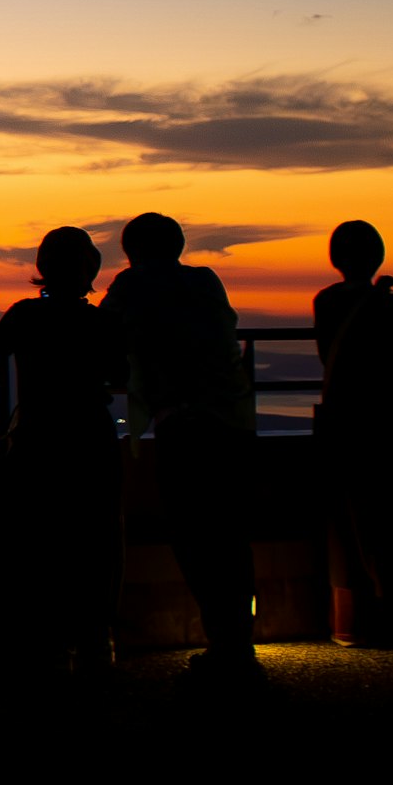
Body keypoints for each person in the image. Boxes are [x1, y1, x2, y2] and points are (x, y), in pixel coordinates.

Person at [105, 214, 257, 685]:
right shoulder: (206, 282)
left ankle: (226, 649)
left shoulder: (130, 287)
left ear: (130, 251)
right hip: (230, 423)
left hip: (181, 424)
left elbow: (104, 339)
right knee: (230, 535)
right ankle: (238, 645)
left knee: (193, 535)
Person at [0, 226, 122, 676]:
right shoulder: (97, 321)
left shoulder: (24, 315)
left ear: (42, 268)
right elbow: (119, 372)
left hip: (38, 438)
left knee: (39, 542)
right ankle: (95, 643)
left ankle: (46, 645)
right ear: (90, 270)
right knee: (95, 544)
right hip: (91, 439)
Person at [312, 220, 393, 648]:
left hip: (341, 422)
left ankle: (351, 620)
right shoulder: (389, 307)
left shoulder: (324, 302)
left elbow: (331, 357)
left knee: (346, 520)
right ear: (377, 256)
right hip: (387, 422)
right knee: (391, 518)